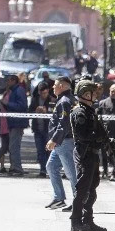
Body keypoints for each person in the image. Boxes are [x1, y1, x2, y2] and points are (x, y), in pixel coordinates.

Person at [70, 80, 108, 231]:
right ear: (86, 94)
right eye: (93, 93)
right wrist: (96, 137)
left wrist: (105, 139)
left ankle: (88, 220)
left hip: (92, 154)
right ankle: (75, 220)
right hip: (84, 153)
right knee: (83, 189)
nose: (95, 95)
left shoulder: (90, 111)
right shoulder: (80, 112)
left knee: (91, 189)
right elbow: (82, 135)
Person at [44, 78, 77, 210]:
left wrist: (54, 140)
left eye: (55, 85)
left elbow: (64, 124)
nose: (53, 87)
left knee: (71, 173)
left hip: (64, 142)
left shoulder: (65, 101)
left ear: (62, 86)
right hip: (61, 142)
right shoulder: (64, 99)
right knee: (51, 167)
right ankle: (59, 198)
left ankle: (79, 201)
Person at [30, 75, 54, 177]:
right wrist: (35, 111)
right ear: (39, 92)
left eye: (46, 93)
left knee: (49, 151)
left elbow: (55, 113)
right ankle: (42, 170)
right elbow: (28, 111)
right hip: (37, 129)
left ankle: (49, 169)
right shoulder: (35, 100)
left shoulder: (52, 100)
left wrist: (47, 111)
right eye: (43, 93)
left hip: (48, 130)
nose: (45, 95)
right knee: (40, 151)